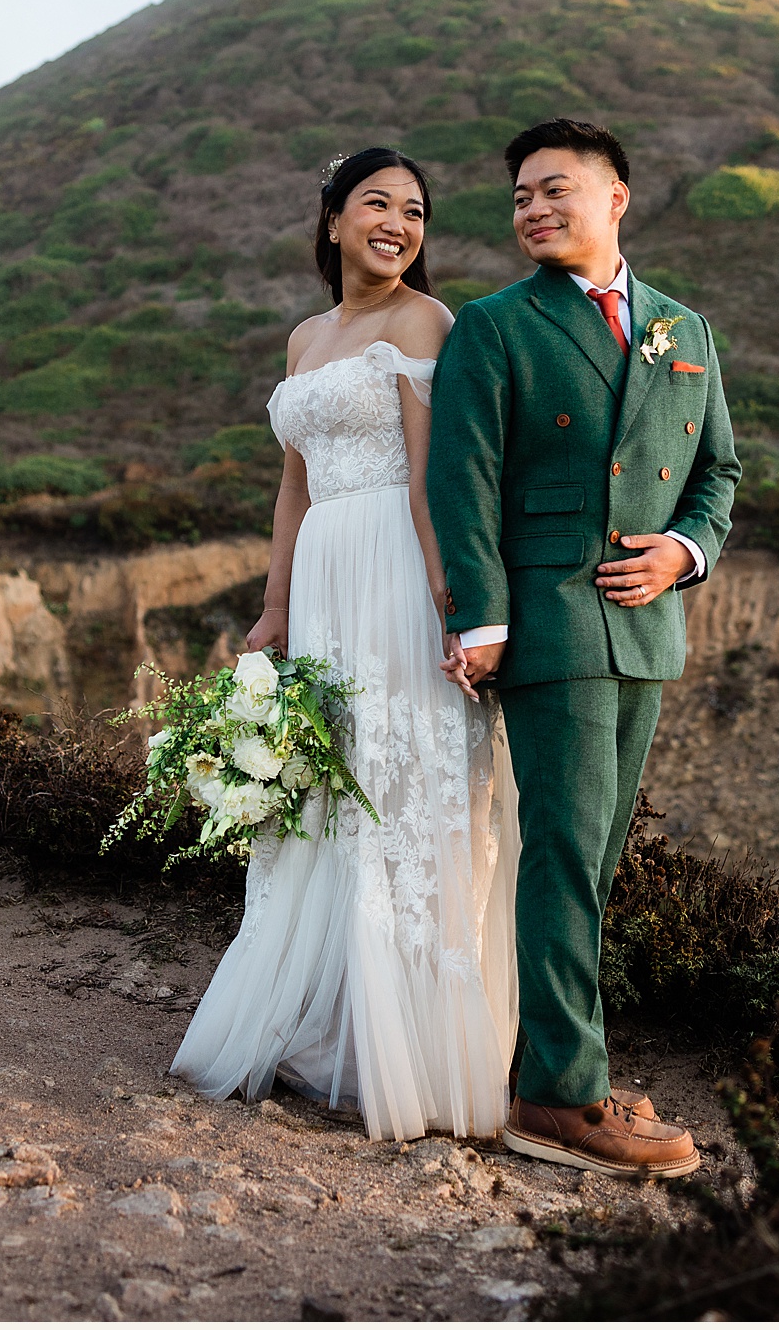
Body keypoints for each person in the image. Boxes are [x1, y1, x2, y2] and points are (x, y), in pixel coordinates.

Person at [168, 146, 520, 1142]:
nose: (398, 223)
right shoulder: (305, 336)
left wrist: (456, 602)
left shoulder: (426, 322)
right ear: (330, 221)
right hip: (323, 575)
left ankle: (406, 1048)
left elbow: (429, 479)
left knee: (402, 790)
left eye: (415, 210)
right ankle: (318, 1022)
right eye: (377, 203)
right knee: (324, 788)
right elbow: (293, 482)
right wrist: (274, 609)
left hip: (396, 576)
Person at [427, 117, 742, 1178]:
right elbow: (460, 477)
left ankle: (559, 1059)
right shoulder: (494, 325)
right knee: (561, 851)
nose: (531, 208)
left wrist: (682, 552)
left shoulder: (682, 328)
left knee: (595, 860)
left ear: (616, 198)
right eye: (518, 195)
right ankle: (561, 1099)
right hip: (550, 619)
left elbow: (718, 475)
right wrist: (483, 616)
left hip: (647, 625)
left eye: (553, 189)